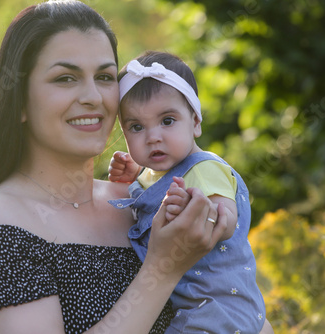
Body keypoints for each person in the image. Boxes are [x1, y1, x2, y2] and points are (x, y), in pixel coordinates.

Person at [0, 1, 230, 334]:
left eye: (104, 77)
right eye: (65, 78)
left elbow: (235, 303)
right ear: (19, 103)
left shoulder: (141, 201)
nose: (93, 97)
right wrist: (162, 267)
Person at [108, 51, 267, 333]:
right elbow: (154, 189)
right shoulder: (154, 173)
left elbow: (226, 221)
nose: (153, 136)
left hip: (222, 308)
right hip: (191, 308)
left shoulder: (205, 169)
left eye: (167, 121)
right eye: (136, 127)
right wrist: (134, 177)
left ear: (195, 122)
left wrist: (193, 206)